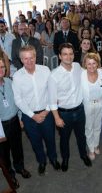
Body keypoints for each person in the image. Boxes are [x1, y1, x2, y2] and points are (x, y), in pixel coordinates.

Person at [12, 45, 60, 175]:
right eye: (25, 58)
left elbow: (52, 92)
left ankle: (53, 159)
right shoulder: (17, 76)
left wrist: (47, 110)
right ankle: (42, 161)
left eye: (31, 57)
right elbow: (18, 100)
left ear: (35, 56)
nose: (29, 61)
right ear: (21, 59)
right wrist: (33, 115)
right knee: (35, 142)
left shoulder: (45, 70)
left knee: (50, 139)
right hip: (29, 116)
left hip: (47, 113)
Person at [48, 43, 92, 172]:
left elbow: (91, 72)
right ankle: (65, 159)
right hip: (64, 114)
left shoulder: (78, 66)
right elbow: (52, 100)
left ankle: (83, 155)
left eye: (71, 53)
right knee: (64, 139)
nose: (69, 57)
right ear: (60, 56)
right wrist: (56, 118)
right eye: (65, 54)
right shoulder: (53, 75)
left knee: (81, 136)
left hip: (79, 110)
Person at [0, 58, 31, 188]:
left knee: (17, 147)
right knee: (4, 153)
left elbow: (17, 101)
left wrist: (19, 118)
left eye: (2, 67)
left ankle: (19, 167)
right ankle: (10, 174)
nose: (1, 70)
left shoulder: (8, 81)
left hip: (14, 121)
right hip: (1, 126)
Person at [81, 53, 102, 160]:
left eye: (94, 63)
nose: (91, 66)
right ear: (85, 64)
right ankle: (91, 148)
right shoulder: (81, 74)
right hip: (88, 104)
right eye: (89, 63)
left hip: (100, 103)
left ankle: (96, 145)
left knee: (98, 126)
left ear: (97, 64)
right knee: (89, 127)